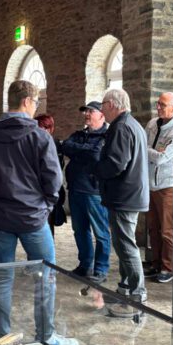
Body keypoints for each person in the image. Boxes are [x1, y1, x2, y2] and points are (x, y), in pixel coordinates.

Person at [0, 80, 78, 345]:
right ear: (29, 101)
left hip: (0, 219)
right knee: (45, 277)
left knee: (2, 278)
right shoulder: (40, 137)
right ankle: (46, 336)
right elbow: (54, 180)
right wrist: (44, 207)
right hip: (33, 219)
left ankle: (1, 338)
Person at [95, 88, 150, 318]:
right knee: (121, 243)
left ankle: (138, 294)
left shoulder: (121, 127)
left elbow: (116, 163)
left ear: (113, 104)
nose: (101, 109)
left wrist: (95, 169)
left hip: (125, 196)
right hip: (128, 194)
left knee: (126, 246)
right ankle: (126, 287)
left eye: (103, 104)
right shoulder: (131, 124)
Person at [59, 101, 111, 282]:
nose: (87, 114)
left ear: (102, 115)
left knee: (101, 232)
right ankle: (85, 265)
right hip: (75, 188)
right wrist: (83, 150)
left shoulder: (106, 136)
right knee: (80, 230)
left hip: (94, 191)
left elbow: (96, 154)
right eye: (86, 111)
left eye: (91, 111)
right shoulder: (78, 134)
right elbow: (65, 146)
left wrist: (77, 151)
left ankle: (101, 269)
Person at [144, 92, 173, 284]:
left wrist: (144, 150)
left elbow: (163, 158)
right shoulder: (152, 124)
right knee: (153, 227)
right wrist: (153, 152)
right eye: (158, 103)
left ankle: (167, 267)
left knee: (166, 230)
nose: (158, 107)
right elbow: (155, 153)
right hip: (150, 184)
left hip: (167, 185)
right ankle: (155, 263)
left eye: (163, 104)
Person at [35, 114, 67, 238]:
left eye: (44, 128)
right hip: (37, 191)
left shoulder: (55, 144)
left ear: (50, 129)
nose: (41, 131)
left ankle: (48, 255)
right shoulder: (34, 144)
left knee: (48, 225)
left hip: (49, 191)